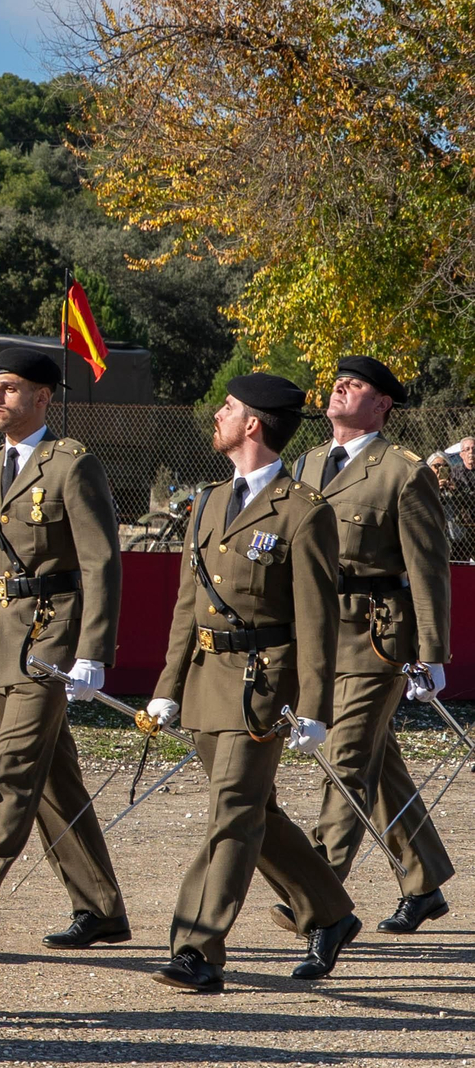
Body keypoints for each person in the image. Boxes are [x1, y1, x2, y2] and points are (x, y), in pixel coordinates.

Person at [145, 373, 359, 993]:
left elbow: (317, 620)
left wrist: (314, 706)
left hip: (261, 687)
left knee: (232, 814)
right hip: (207, 680)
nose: (217, 413)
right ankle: (330, 910)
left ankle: (198, 947)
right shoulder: (210, 501)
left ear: (254, 424)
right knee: (254, 809)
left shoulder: (302, 511)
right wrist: (166, 686)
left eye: (229, 407)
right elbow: (190, 604)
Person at [0, 347, 128, 958]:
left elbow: (101, 562)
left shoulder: (71, 465)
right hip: (7, 645)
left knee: (13, 777)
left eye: (8, 388)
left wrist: (94, 651)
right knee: (54, 783)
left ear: (43, 397)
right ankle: (100, 908)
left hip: (53, 643)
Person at [277, 356, 455, 934]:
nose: (339, 388)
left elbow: (429, 570)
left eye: (355, 385)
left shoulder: (401, 472)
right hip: (315, 636)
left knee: (346, 761)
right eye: (337, 382)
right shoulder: (303, 465)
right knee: (379, 767)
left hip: (376, 636)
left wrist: (431, 654)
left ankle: (316, 895)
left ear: (382, 404)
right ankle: (423, 877)